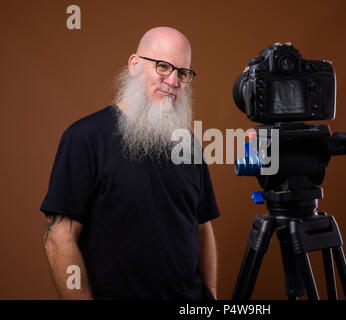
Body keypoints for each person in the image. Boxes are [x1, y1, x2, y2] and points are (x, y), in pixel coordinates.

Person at [40, 27, 220, 300]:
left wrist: (212, 296)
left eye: (182, 73)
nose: (173, 81)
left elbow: (202, 227)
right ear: (135, 65)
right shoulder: (84, 138)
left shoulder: (189, 145)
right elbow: (58, 240)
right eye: (163, 67)